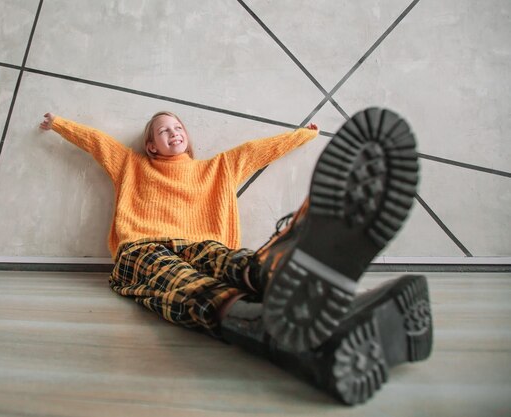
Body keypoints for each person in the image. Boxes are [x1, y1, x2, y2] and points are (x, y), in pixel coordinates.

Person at [39, 108, 433, 405]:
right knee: (178, 279)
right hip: (143, 246)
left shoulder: (217, 168)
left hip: (202, 242)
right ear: (151, 145)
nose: (173, 133)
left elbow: (257, 151)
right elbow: (97, 142)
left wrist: (302, 136)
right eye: (164, 130)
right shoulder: (131, 165)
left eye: (178, 128)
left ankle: (273, 271)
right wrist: (57, 123)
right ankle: (253, 310)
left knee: (228, 261)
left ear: (187, 138)